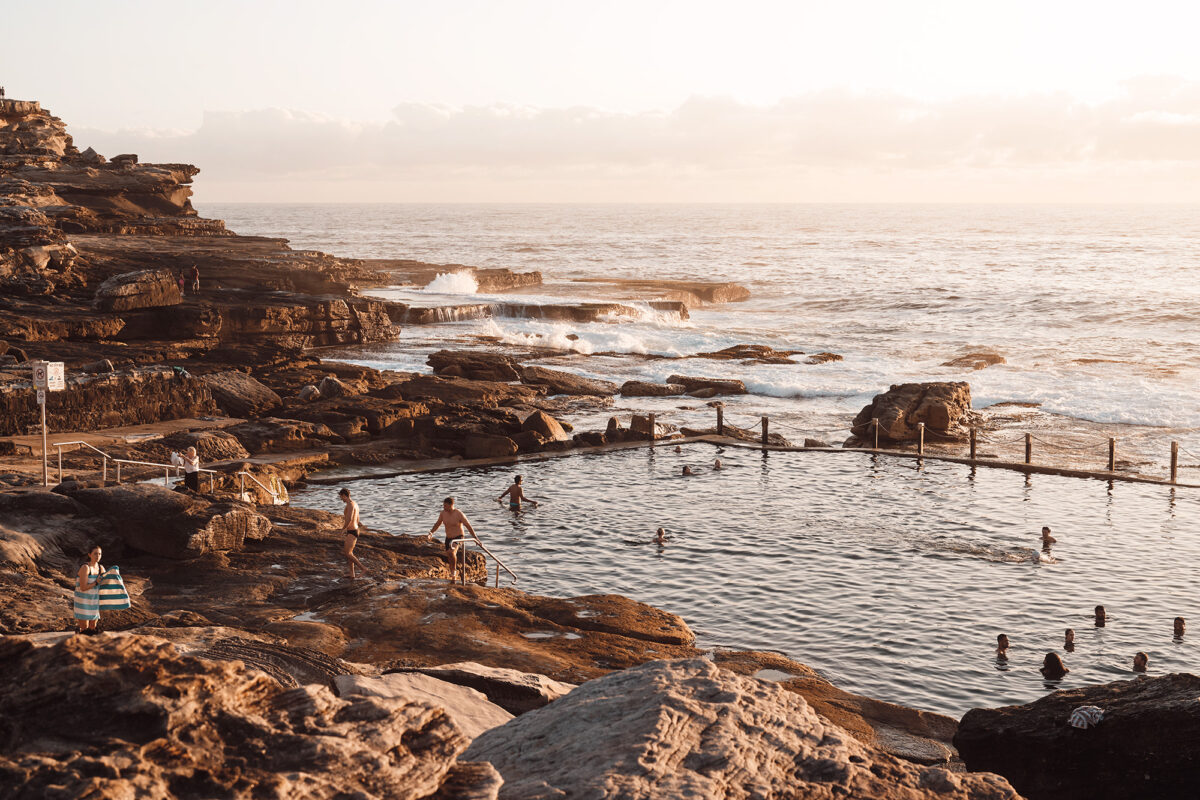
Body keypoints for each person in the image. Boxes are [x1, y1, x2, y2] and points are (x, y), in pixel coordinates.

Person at [430, 496, 477, 580]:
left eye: (445, 506)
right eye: (443, 506)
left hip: (458, 537)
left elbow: (468, 526)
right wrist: (431, 532)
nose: (444, 507)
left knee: (451, 552)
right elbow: (437, 524)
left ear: (451, 505)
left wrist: (475, 538)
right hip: (448, 537)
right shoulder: (443, 513)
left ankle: (454, 571)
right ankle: (452, 572)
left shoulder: (458, 513)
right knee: (449, 554)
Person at [73, 544, 104, 634]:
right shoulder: (85, 568)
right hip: (83, 601)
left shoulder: (101, 568)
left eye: (99, 554)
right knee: (85, 629)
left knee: (93, 627)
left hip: (94, 601)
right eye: (95, 554)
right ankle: (79, 637)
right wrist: (96, 583)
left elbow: (106, 583)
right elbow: (83, 587)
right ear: (89, 555)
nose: (98, 556)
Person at [339, 488, 367, 579]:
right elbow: (358, 519)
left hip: (352, 531)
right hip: (354, 530)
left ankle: (363, 568)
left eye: (341, 497)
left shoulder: (350, 505)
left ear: (344, 495)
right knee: (349, 552)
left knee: (348, 553)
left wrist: (343, 529)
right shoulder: (355, 504)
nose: (341, 499)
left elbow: (349, 519)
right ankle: (352, 574)